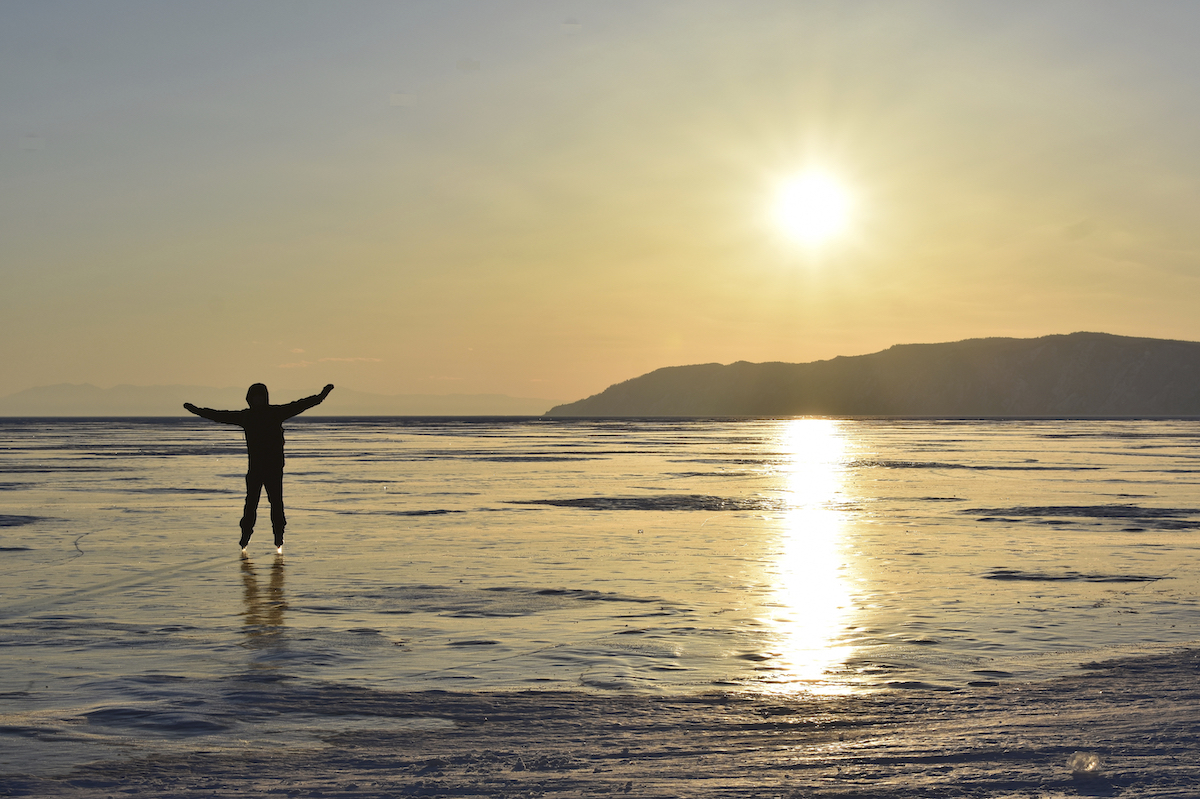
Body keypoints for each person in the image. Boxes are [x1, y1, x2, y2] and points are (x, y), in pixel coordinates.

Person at [184, 383, 334, 551]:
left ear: (265, 398)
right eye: (255, 397)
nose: (258, 400)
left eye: (260, 397)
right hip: (255, 469)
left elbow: (300, 405)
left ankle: (278, 537)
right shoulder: (246, 417)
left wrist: (321, 396)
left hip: (274, 469)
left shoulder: (276, 413)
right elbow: (219, 415)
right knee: (250, 505)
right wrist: (196, 410)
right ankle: (245, 538)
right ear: (250, 399)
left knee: (276, 504)